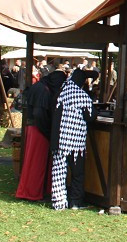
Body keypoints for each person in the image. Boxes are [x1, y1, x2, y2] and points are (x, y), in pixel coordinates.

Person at [15, 70, 67, 201]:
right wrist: (47, 131)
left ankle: (34, 191)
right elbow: (39, 114)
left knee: (35, 161)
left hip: (34, 128)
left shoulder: (40, 86)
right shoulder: (43, 90)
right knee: (36, 162)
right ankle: (31, 192)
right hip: (38, 129)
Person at [49, 68, 95, 210]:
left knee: (59, 172)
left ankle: (58, 202)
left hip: (60, 140)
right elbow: (91, 116)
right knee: (77, 174)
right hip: (76, 143)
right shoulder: (82, 96)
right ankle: (75, 202)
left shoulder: (61, 92)